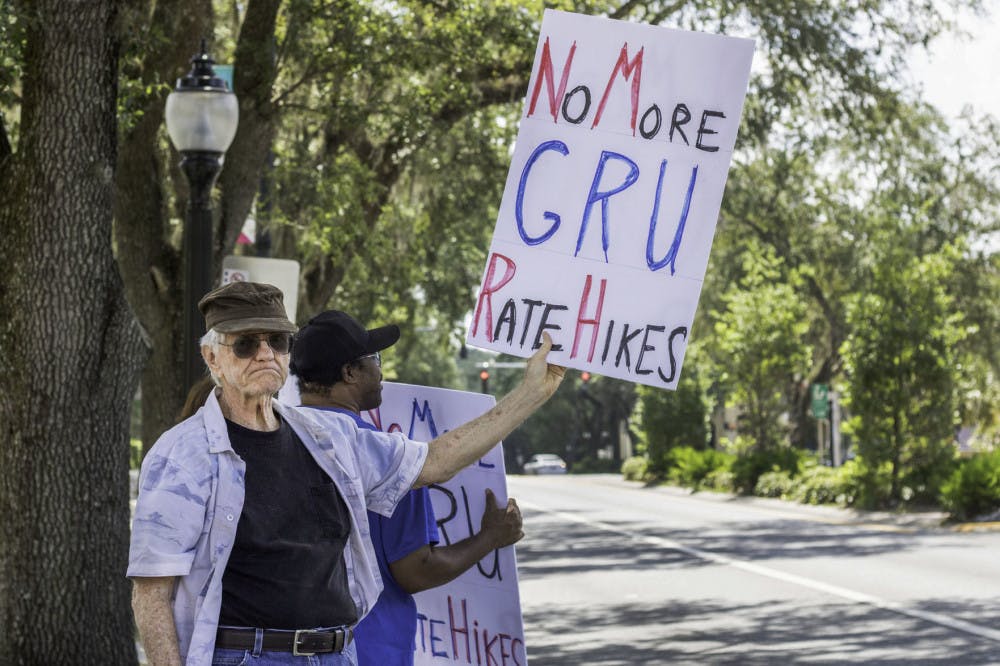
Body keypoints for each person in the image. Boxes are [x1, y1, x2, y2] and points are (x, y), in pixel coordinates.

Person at [128, 282, 564, 666]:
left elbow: (434, 460)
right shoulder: (182, 455)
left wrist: (530, 394)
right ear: (212, 357)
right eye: (245, 344)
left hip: (338, 652)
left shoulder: (326, 437)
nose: (264, 354)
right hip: (246, 655)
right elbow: (152, 595)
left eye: (277, 341)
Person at [290, 310, 524, 665]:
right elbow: (416, 570)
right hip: (370, 647)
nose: (381, 372)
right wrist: (489, 538)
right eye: (375, 360)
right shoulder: (393, 460)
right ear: (350, 372)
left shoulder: (276, 442)